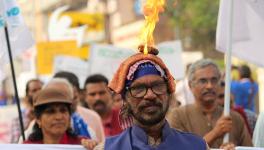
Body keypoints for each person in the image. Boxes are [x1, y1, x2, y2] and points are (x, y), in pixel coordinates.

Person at [83, 47, 208, 150]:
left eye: (157, 86)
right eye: (139, 89)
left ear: (169, 94)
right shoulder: (106, 148)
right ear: (125, 100)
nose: (150, 95)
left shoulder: (197, 146)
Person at [168, 59, 252, 149]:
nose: (209, 86)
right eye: (203, 81)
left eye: (214, 80)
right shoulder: (178, 116)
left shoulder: (234, 118)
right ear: (190, 85)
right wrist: (215, 133)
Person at [54, 71, 105, 142]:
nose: (70, 102)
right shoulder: (43, 122)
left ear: (79, 93)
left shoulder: (93, 118)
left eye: (74, 97)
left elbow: (101, 146)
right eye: (66, 98)